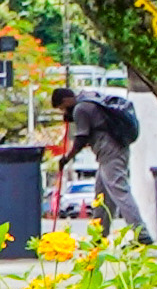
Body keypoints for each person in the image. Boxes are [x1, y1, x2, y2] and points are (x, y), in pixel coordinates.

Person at [57, 86, 150, 238]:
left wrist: (66, 158)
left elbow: (81, 139)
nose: (63, 111)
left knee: (119, 191)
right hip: (112, 151)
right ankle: (99, 235)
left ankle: (141, 233)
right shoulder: (90, 98)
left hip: (109, 151)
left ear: (66, 100)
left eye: (62, 107)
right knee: (102, 194)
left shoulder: (80, 108)